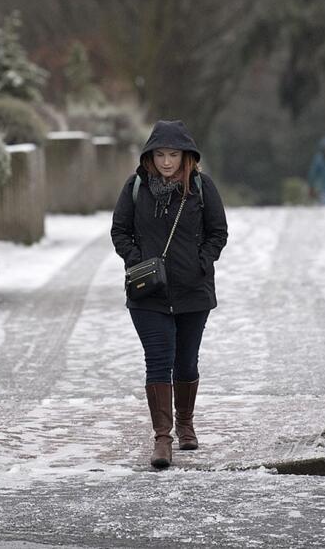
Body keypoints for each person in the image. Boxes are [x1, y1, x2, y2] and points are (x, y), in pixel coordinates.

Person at [110, 119, 229, 469]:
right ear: (150, 155)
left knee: (186, 361)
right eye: (160, 154)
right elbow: (120, 230)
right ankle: (163, 438)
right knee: (158, 360)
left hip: (193, 291)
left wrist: (201, 262)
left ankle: (186, 423)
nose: (166, 162)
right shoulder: (136, 187)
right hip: (148, 293)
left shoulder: (201, 187)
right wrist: (137, 261)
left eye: (173, 154)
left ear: (185, 156)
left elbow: (218, 232)